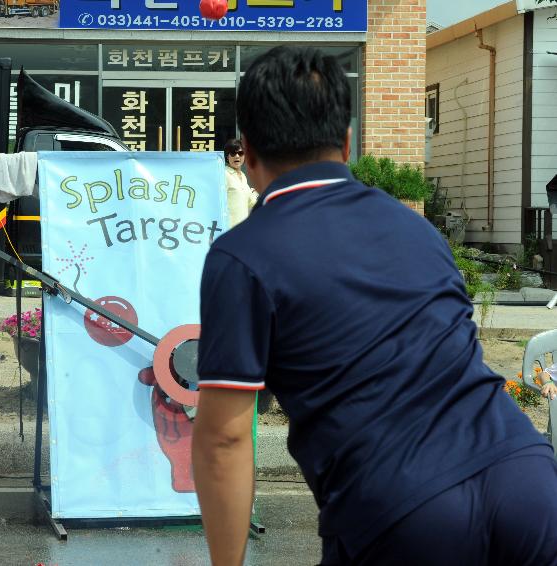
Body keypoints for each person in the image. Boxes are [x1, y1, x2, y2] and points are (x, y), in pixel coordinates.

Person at [192, 45, 557, 566]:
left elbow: (225, 438)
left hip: (405, 509)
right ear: (346, 142)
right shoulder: (416, 229)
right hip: (527, 477)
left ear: (246, 150)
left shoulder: (243, 255)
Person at [223, 138, 257, 227]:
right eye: (233, 153)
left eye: (241, 153)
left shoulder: (243, 176)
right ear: (227, 156)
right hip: (228, 229)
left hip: (242, 229)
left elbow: (250, 202)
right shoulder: (223, 174)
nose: (237, 156)